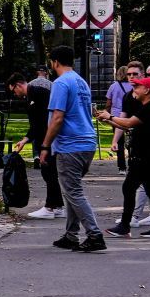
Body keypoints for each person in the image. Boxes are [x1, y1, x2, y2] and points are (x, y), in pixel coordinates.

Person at [44, 48, 106, 251]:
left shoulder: (61, 83)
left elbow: (57, 118)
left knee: (73, 191)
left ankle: (94, 235)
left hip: (70, 144)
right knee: (72, 191)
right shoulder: (81, 81)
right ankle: (71, 235)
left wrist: (45, 145)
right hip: (87, 142)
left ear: (54, 62)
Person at [108, 72, 150, 238]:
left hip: (143, 157)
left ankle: (125, 226)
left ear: (147, 90)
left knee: (129, 188)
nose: (134, 88)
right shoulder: (147, 107)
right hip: (146, 156)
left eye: (137, 86)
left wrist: (110, 116)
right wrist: (108, 120)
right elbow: (131, 126)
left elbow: (128, 122)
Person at [10, 67, 63, 218]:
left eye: (14, 90)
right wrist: (26, 139)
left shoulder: (37, 94)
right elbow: (36, 123)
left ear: (18, 85)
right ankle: (58, 205)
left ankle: (50, 207)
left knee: (49, 172)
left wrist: (43, 144)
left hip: (48, 138)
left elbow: (42, 121)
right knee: (49, 172)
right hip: (45, 137)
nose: (15, 94)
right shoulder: (32, 95)